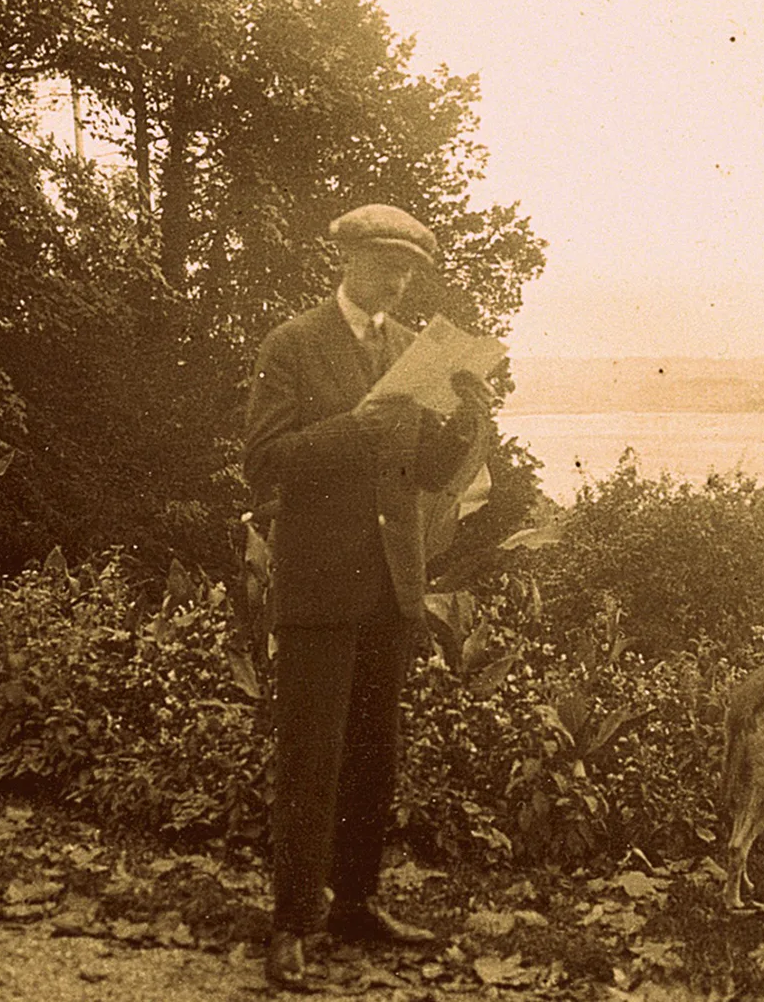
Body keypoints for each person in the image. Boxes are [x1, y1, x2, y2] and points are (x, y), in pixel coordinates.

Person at [243, 203, 492, 990]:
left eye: (411, 267)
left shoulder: (410, 351)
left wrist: (469, 418)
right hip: (319, 583)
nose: (400, 276)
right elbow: (264, 462)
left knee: (373, 759)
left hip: (391, 583)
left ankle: (355, 901)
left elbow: (429, 475)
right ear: (347, 260)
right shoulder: (292, 344)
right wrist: (355, 425)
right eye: (388, 262)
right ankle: (292, 924)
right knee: (310, 758)